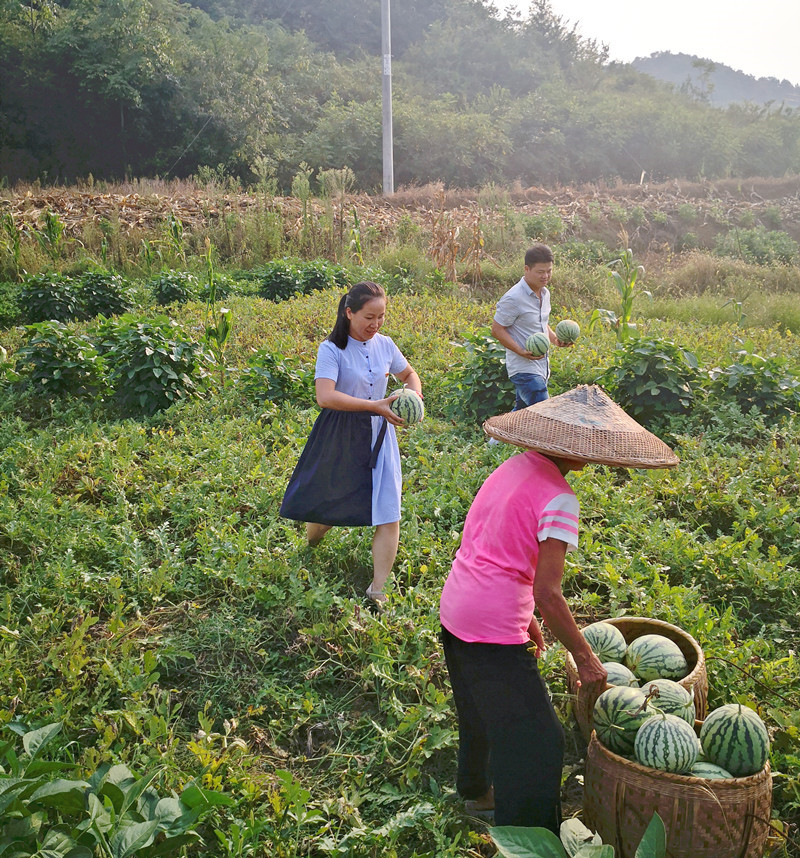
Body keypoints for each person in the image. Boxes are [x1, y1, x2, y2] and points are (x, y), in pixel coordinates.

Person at [439, 385, 679, 830]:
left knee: (478, 711)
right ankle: (527, 835)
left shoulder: (512, 467)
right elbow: (550, 591)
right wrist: (585, 658)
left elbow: (496, 546)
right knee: (538, 741)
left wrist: (525, 613)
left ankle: (476, 792)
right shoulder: (560, 498)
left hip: (456, 608)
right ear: (582, 452)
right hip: (491, 628)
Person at [280, 281, 422, 604]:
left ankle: (378, 590)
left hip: (380, 437)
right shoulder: (331, 349)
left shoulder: (386, 345)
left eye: (381, 317)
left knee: (389, 511)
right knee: (327, 510)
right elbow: (324, 396)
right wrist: (376, 407)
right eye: (369, 317)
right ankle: (312, 543)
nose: (376, 324)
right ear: (349, 312)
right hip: (341, 435)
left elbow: (409, 374)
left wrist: (414, 396)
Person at [491, 243, 570, 410]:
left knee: (521, 415)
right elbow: (497, 329)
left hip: (541, 366)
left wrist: (555, 339)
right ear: (527, 269)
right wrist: (520, 351)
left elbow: (541, 323)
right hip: (523, 368)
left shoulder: (545, 293)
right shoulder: (513, 298)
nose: (546, 276)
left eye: (549, 271)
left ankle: (495, 437)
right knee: (543, 412)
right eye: (540, 272)